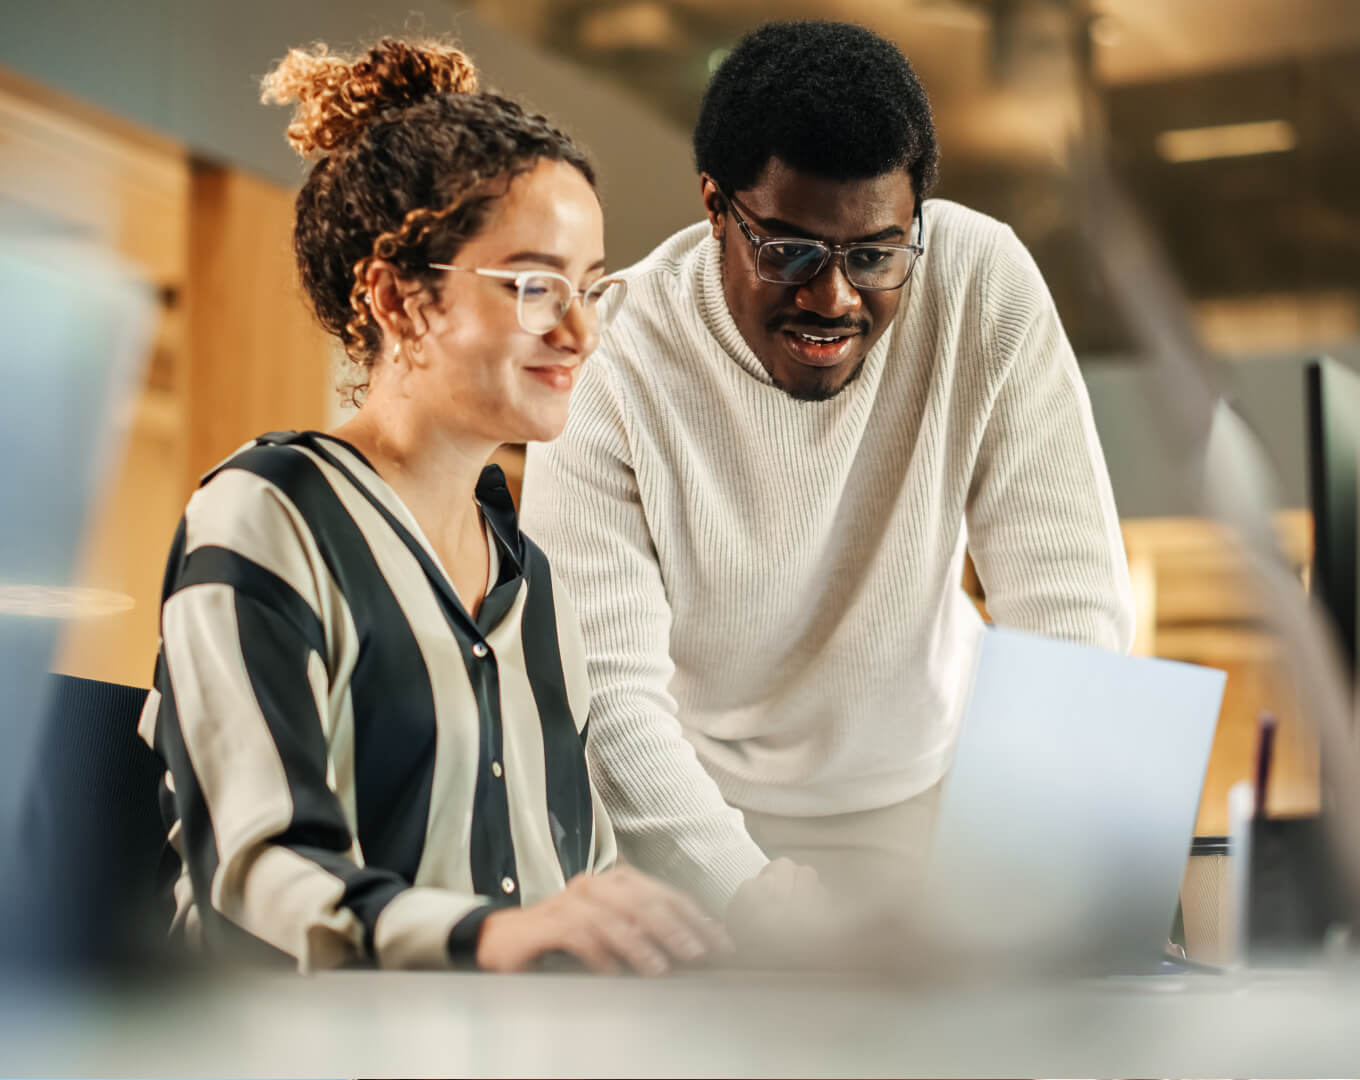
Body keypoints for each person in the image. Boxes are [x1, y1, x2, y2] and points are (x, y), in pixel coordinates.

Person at [139, 37, 729, 973]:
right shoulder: (270, 513)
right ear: (398, 300)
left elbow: (577, 884)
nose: (579, 331)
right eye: (536, 285)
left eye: (590, 288)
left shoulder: (536, 586)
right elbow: (255, 875)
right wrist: (491, 938)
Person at [520, 20, 1135, 917]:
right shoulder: (614, 359)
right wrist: (749, 896)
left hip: (932, 796)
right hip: (695, 816)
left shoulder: (980, 282)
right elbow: (607, 695)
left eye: (875, 255)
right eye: (790, 252)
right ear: (714, 207)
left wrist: (1023, 871)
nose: (834, 298)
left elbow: (1069, 604)